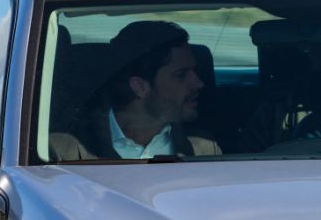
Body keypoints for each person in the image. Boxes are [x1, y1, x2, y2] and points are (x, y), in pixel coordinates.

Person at [50, 20, 221, 160]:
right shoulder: (63, 149)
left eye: (194, 71)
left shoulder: (204, 148)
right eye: (181, 75)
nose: (198, 83)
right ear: (139, 86)